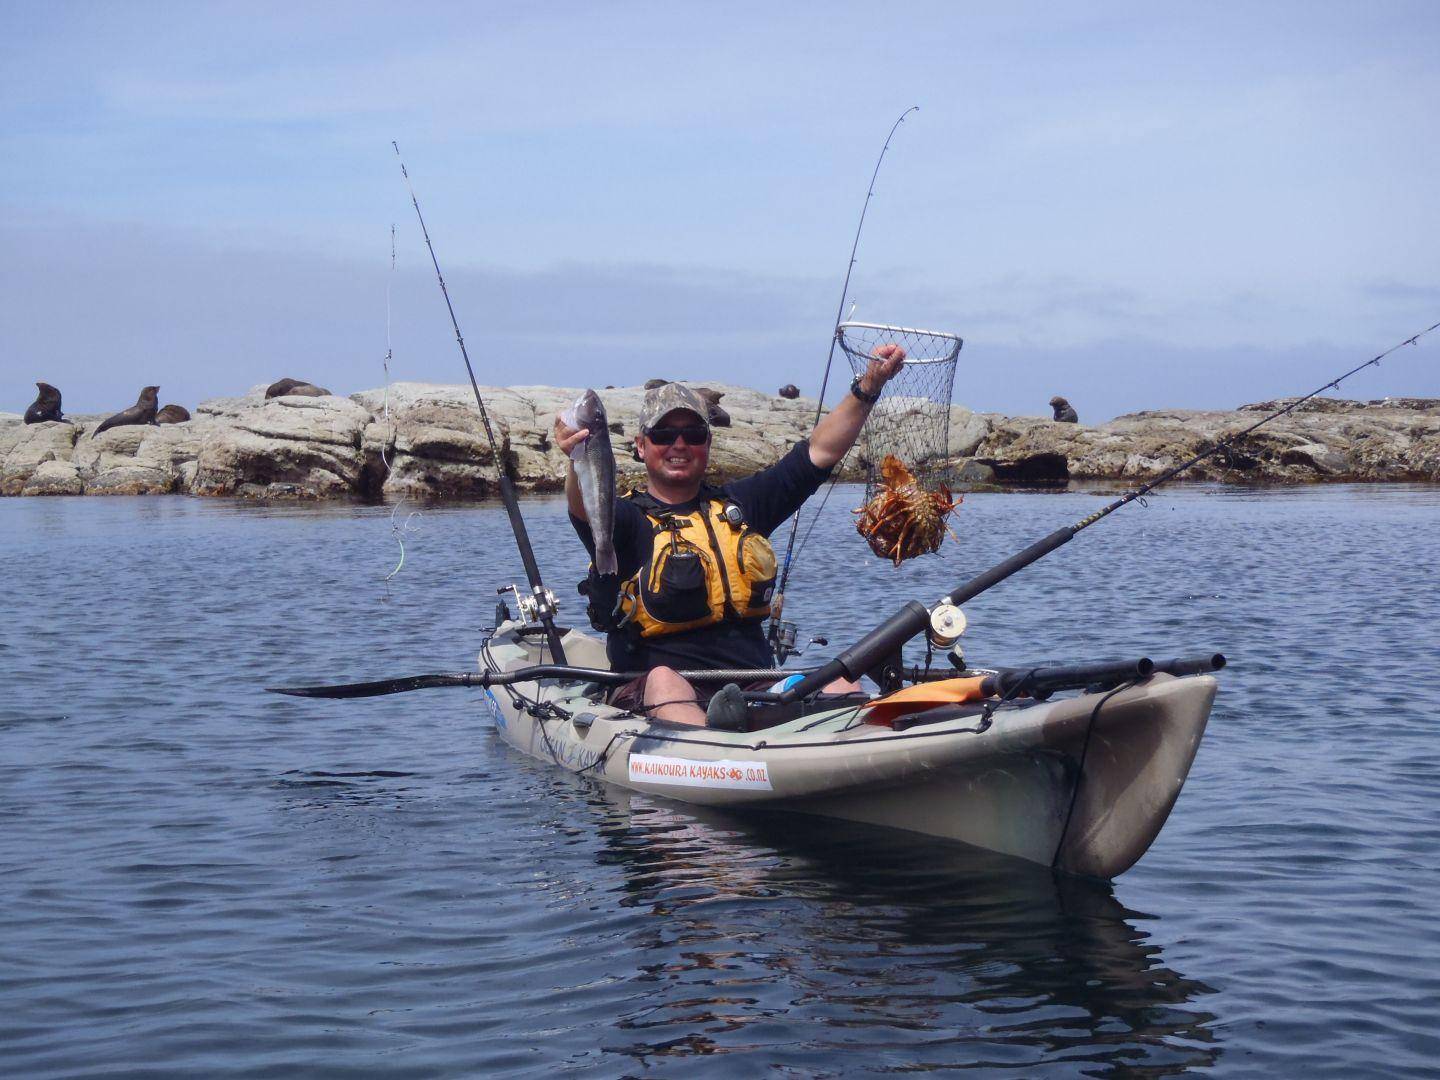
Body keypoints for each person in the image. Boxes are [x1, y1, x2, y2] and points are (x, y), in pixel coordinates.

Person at [555, 348, 905, 726]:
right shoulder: (624, 520)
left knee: (839, 683)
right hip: (652, 687)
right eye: (664, 434)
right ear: (641, 446)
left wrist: (870, 385)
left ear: (707, 443)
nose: (679, 444)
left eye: (692, 434)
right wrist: (579, 456)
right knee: (664, 682)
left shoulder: (742, 506)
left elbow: (819, 452)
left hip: (753, 686)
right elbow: (584, 508)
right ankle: (717, 757)